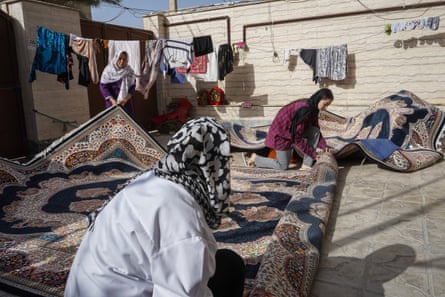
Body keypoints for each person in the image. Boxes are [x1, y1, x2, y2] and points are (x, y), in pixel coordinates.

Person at [64, 117, 245, 297]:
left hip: (89, 287)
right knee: (230, 268)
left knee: (223, 262)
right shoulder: (182, 217)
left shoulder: (151, 178)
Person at [246, 88, 333, 170]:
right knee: (283, 166)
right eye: (325, 104)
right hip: (281, 135)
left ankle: (306, 165)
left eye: (327, 105)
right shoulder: (305, 110)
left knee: (315, 131)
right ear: (318, 99)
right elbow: (296, 139)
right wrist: (313, 154)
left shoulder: (314, 109)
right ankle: (256, 159)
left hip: (292, 133)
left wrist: (324, 146)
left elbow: (315, 128)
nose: (325, 108)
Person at [99, 50, 136, 116]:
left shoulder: (129, 71)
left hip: (126, 103)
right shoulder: (108, 71)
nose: (122, 61)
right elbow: (103, 86)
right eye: (119, 58)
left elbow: (132, 87)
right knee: (113, 122)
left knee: (127, 123)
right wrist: (112, 100)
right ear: (116, 58)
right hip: (112, 103)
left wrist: (125, 99)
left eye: (124, 59)